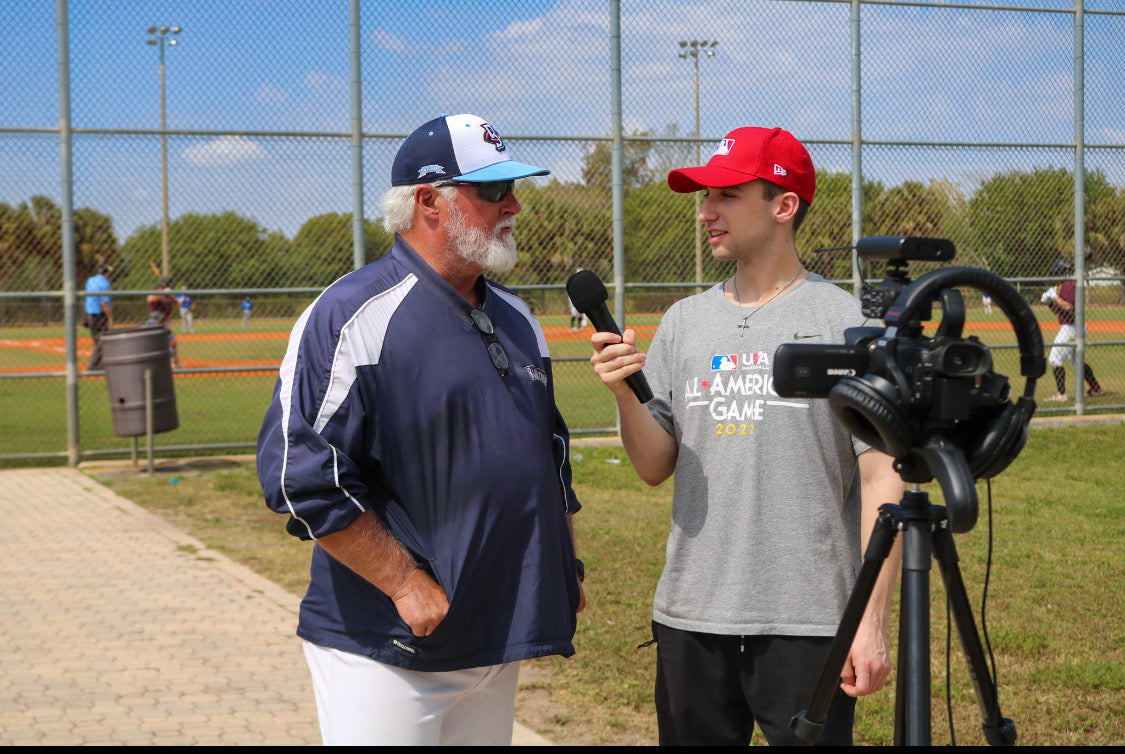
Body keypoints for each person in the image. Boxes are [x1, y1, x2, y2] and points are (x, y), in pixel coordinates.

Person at [257, 113, 585, 746]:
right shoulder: (352, 316)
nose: (513, 204)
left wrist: (563, 564)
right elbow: (299, 475)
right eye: (492, 190)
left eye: (512, 188)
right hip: (388, 648)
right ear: (429, 202)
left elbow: (552, 455)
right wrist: (405, 584)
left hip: (494, 642)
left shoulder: (518, 319)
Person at [585, 126, 904, 746]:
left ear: (783, 206)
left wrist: (871, 620)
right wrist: (624, 392)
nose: (706, 211)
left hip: (808, 621)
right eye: (705, 196)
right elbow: (655, 466)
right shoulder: (684, 321)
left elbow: (880, 476)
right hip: (690, 616)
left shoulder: (848, 325)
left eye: (727, 195)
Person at [1042, 258, 1103, 401]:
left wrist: (1054, 296)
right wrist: (1050, 302)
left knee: (1054, 358)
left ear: (1062, 272)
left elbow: (1069, 307)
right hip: (1074, 327)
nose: (1056, 276)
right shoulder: (1066, 285)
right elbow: (1058, 311)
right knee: (1077, 361)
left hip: (1070, 328)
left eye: (1057, 273)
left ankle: (1061, 394)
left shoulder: (1069, 284)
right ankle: (1096, 388)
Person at [145, 274, 185, 369]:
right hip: (155, 321)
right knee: (163, 342)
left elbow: (178, 304)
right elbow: (150, 299)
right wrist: (163, 293)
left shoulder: (169, 293)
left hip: (166, 321)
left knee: (173, 342)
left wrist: (172, 296)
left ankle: (175, 361)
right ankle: (169, 363)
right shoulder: (156, 291)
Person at [83, 263, 114, 370]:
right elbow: (104, 303)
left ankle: (100, 364)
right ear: (106, 273)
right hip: (99, 314)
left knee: (97, 340)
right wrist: (110, 317)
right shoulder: (105, 283)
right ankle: (93, 365)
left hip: (88, 313)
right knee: (101, 341)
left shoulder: (90, 280)